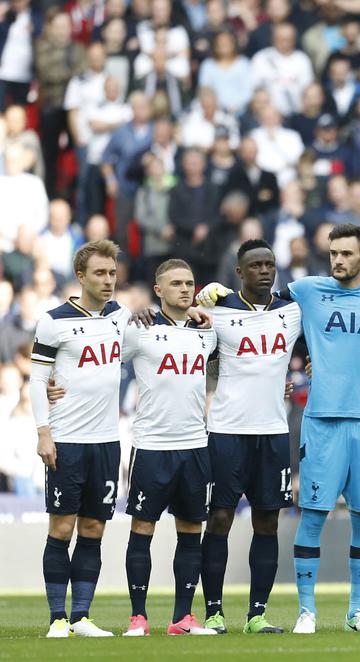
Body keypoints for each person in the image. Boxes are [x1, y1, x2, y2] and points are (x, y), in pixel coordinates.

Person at [198, 223, 360, 633]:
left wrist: (352, 361)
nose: (338, 260)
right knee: (310, 516)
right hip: (319, 421)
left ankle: (357, 612)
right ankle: (306, 611)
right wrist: (214, 294)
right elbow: (254, 304)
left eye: (347, 253)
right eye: (333, 253)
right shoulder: (305, 291)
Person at [198, 240, 303, 634]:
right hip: (226, 431)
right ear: (239, 272)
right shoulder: (218, 312)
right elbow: (200, 355)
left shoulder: (292, 311)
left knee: (268, 522)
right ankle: (213, 612)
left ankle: (257, 614)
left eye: (269, 264)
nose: (264, 271)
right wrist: (200, 300)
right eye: (255, 265)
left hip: (272, 432)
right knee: (219, 518)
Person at [30, 241, 130, 638]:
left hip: (106, 442)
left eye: (112, 273)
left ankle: (81, 617)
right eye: (100, 273)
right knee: (61, 528)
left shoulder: (121, 316)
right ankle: (57, 618)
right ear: (81, 276)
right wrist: (43, 432)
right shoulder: (53, 321)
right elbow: (38, 379)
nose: (108, 280)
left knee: (93, 529)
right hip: (67, 440)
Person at [120, 259, 218, 637]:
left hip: (195, 445)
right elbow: (104, 358)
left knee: (191, 530)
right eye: (176, 283)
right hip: (152, 446)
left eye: (189, 283)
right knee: (142, 528)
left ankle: (182, 618)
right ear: (158, 290)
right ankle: (138, 617)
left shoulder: (206, 331)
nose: (185, 289)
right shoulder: (140, 329)